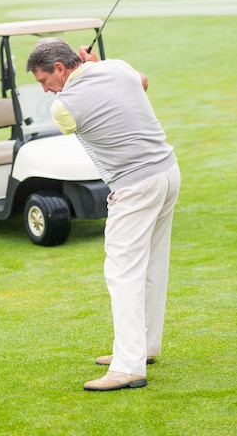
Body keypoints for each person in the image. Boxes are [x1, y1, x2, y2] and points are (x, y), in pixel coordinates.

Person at [26, 39, 180, 391]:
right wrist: (99, 64)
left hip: (134, 185)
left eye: (43, 80)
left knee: (122, 272)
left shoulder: (63, 107)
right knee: (153, 263)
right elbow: (140, 81)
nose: (45, 89)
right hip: (167, 173)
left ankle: (128, 366)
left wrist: (94, 69)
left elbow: (76, 113)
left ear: (61, 69)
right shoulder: (117, 66)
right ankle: (144, 347)